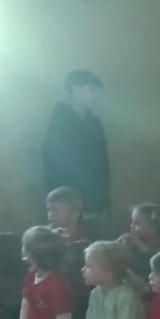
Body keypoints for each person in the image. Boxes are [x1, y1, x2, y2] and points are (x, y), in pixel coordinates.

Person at [42, 70, 110, 216]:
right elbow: (53, 164)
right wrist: (60, 199)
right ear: (75, 90)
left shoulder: (94, 123)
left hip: (95, 198)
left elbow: (103, 162)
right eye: (91, 90)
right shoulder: (59, 122)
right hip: (67, 200)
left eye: (97, 91)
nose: (95, 95)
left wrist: (104, 195)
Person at [118, 204, 160, 285]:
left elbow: (156, 263)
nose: (131, 226)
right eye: (132, 222)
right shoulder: (130, 243)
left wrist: (140, 244)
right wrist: (120, 247)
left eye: (137, 223)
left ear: (154, 227)